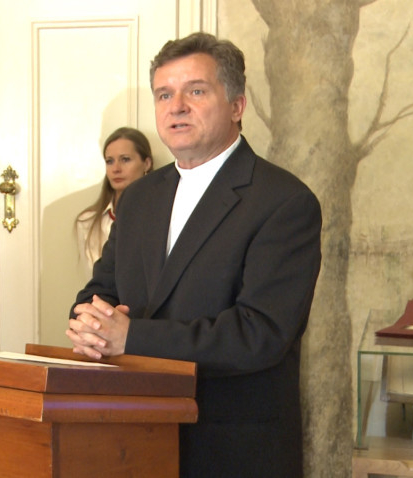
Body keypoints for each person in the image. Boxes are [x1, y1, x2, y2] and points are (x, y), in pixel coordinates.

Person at [66, 32, 321, 478]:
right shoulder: (139, 197)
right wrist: (87, 322)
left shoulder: (284, 201)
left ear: (237, 106)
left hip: (232, 450)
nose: (176, 106)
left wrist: (130, 337)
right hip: (134, 439)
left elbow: (259, 333)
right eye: (164, 94)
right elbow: (100, 291)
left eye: (196, 91)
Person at [74, 127, 153, 274]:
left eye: (125, 159)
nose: (116, 169)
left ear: (146, 164)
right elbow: (93, 279)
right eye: (109, 161)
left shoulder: (163, 215)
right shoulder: (87, 221)